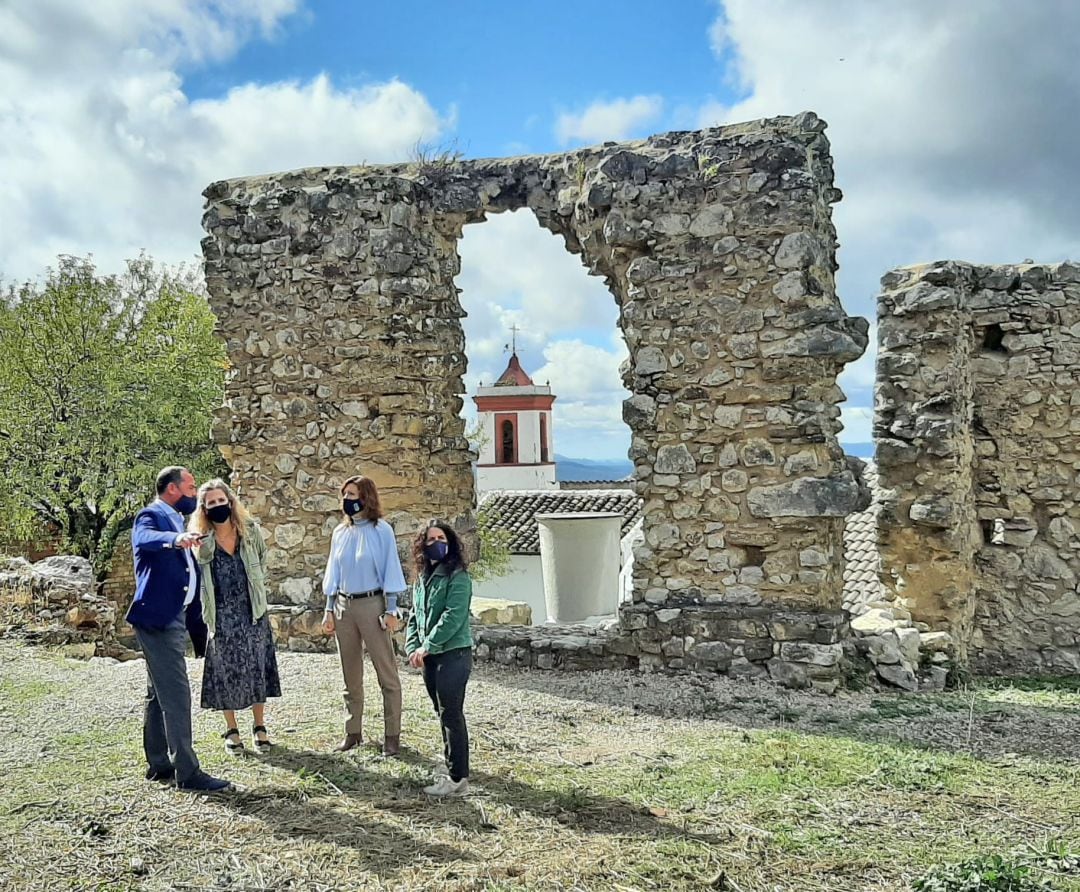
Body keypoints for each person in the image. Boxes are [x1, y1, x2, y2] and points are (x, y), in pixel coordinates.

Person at [125, 466, 230, 792]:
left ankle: (159, 764)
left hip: (173, 618)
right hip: (158, 620)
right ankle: (187, 773)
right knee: (176, 694)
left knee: (158, 694)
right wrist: (175, 539)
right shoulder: (151, 516)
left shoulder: (176, 518)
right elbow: (144, 539)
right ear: (172, 489)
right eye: (190, 486)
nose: (194, 491)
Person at [190, 479, 281, 757]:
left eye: (221, 501)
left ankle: (259, 726)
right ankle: (231, 729)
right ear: (204, 509)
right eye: (211, 503)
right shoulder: (202, 541)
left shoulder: (249, 531)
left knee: (256, 666)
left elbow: (262, 559)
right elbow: (197, 570)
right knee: (225, 671)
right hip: (221, 614)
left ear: (230, 502)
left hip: (251, 609)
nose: (218, 506)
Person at [321, 475, 407, 756]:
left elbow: (390, 568)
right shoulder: (340, 533)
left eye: (353, 494)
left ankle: (391, 735)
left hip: (373, 604)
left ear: (366, 497)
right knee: (351, 674)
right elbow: (333, 572)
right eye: (344, 494)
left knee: (387, 673)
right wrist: (329, 608)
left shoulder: (381, 530)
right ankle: (352, 732)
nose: (347, 499)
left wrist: (391, 608)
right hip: (344, 606)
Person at [405, 521, 474, 797]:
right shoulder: (423, 578)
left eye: (441, 537)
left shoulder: (458, 577)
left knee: (452, 714)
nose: (436, 543)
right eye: (431, 539)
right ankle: (451, 763)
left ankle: (458, 779)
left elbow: (453, 617)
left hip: (453, 655)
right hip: (430, 658)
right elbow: (415, 615)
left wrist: (429, 645)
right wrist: (413, 646)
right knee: (441, 713)